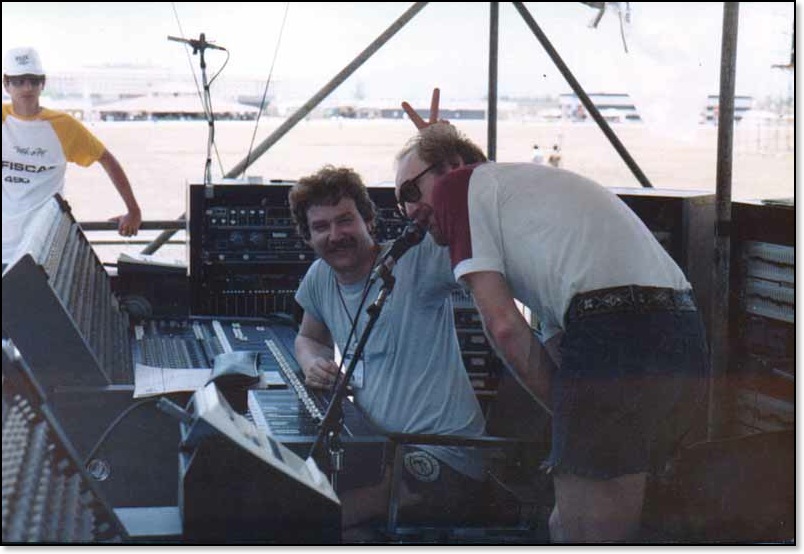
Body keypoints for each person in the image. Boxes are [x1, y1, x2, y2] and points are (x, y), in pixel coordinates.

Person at [396, 90, 708, 543]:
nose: (410, 213)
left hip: (616, 335)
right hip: (680, 335)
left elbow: (503, 327)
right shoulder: (525, 202)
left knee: (585, 535)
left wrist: (567, 418)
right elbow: (559, 344)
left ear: (449, 170)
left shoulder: (454, 186)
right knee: (572, 524)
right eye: (398, 200)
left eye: (409, 191)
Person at [288, 165, 487, 532]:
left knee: (321, 520)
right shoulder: (319, 276)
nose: (335, 235)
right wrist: (312, 361)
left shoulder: (418, 261)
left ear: (368, 219)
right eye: (321, 227)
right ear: (309, 236)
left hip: (445, 454)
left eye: (345, 220)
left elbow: (468, 217)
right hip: (378, 450)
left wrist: (444, 163)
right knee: (296, 492)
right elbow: (309, 338)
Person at [2, 47, 141, 264]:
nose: (27, 87)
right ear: (6, 84)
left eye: (33, 80)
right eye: (18, 81)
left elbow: (106, 158)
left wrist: (133, 211)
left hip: (43, 246)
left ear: (43, 83)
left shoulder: (63, 125)